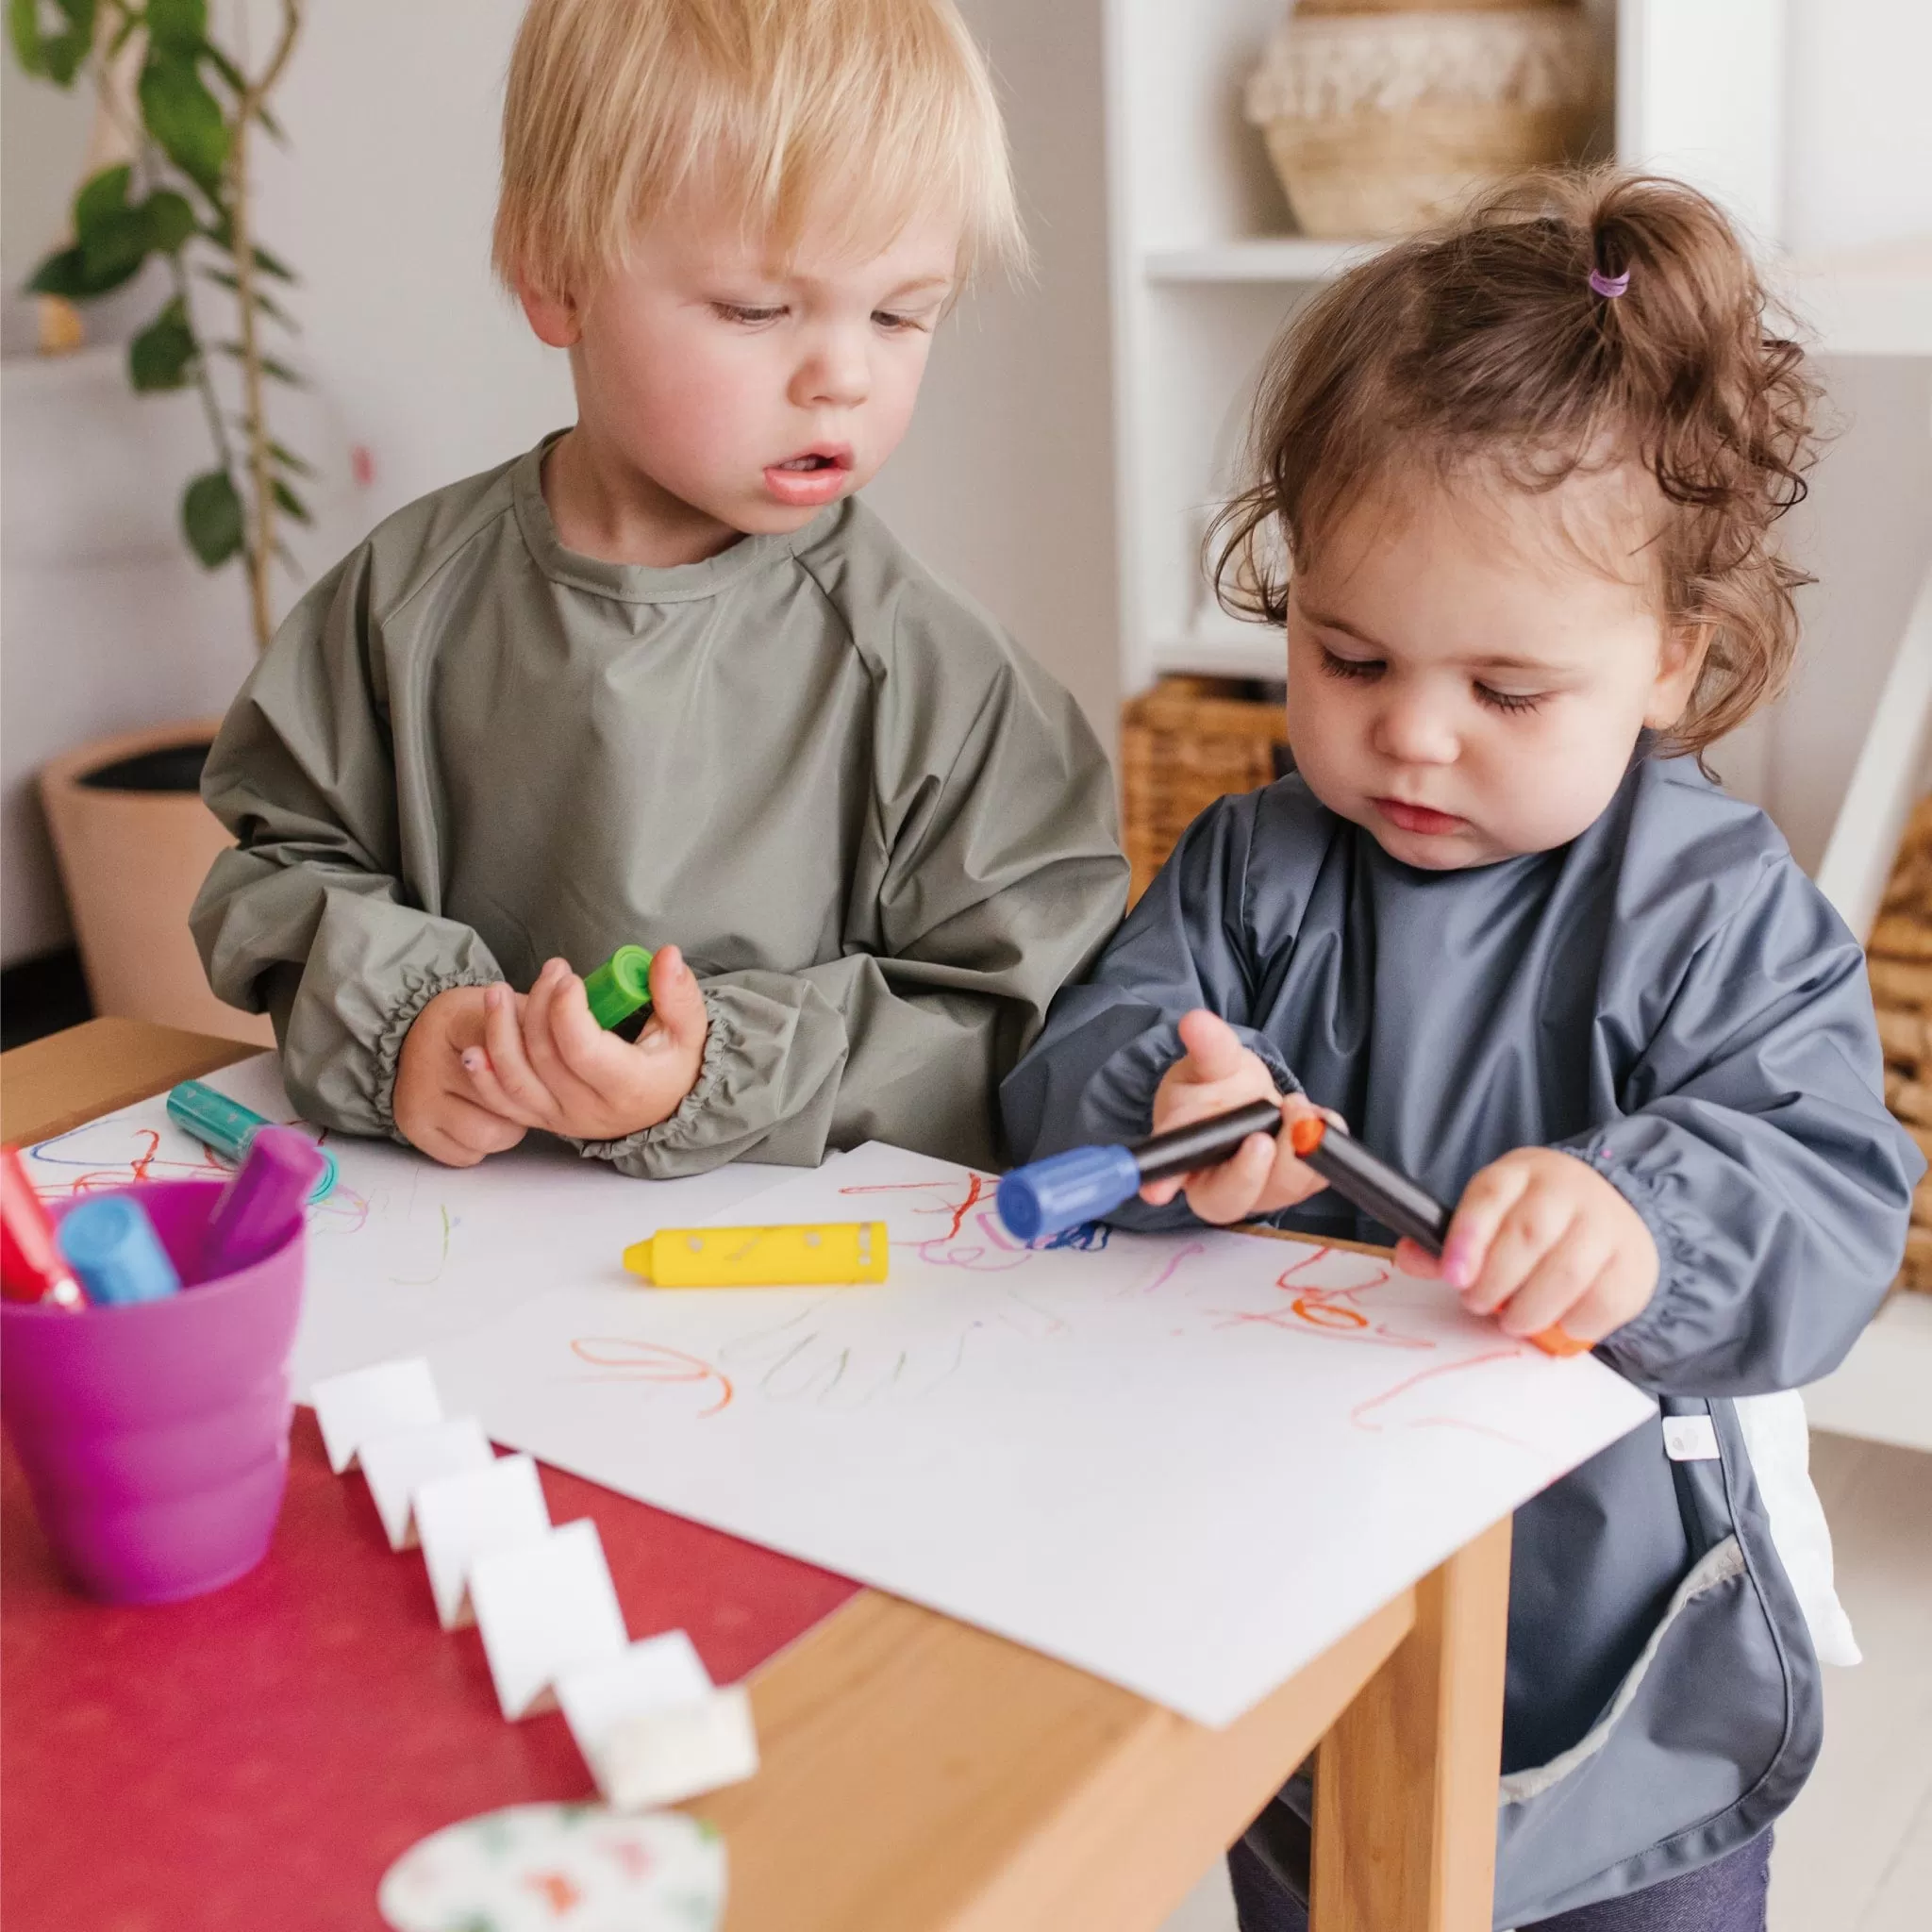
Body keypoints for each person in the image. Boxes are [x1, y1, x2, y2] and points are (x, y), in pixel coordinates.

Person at [1001, 170, 1919, 1931]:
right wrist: (1165, 1109)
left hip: (1623, 1643)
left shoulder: (1710, 905)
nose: (1410, 735)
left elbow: (1834, 1199)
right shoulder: (1254, 866)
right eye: (1347, 656)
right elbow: (1070, 1076)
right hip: (1301, 1590)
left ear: (1669, 656)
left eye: (1503, 691)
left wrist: (1639, 1218)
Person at [193, 0, 1126, 1176]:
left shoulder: (938, 676)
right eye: (756, 309)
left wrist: (714, 1074)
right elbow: (280, 868)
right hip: (454, 1244)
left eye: (898, 314)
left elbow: (1017, 1009)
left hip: (796, 1291)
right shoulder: (405, 603)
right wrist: (408, 1025)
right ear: (556, 275)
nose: (842, 373)